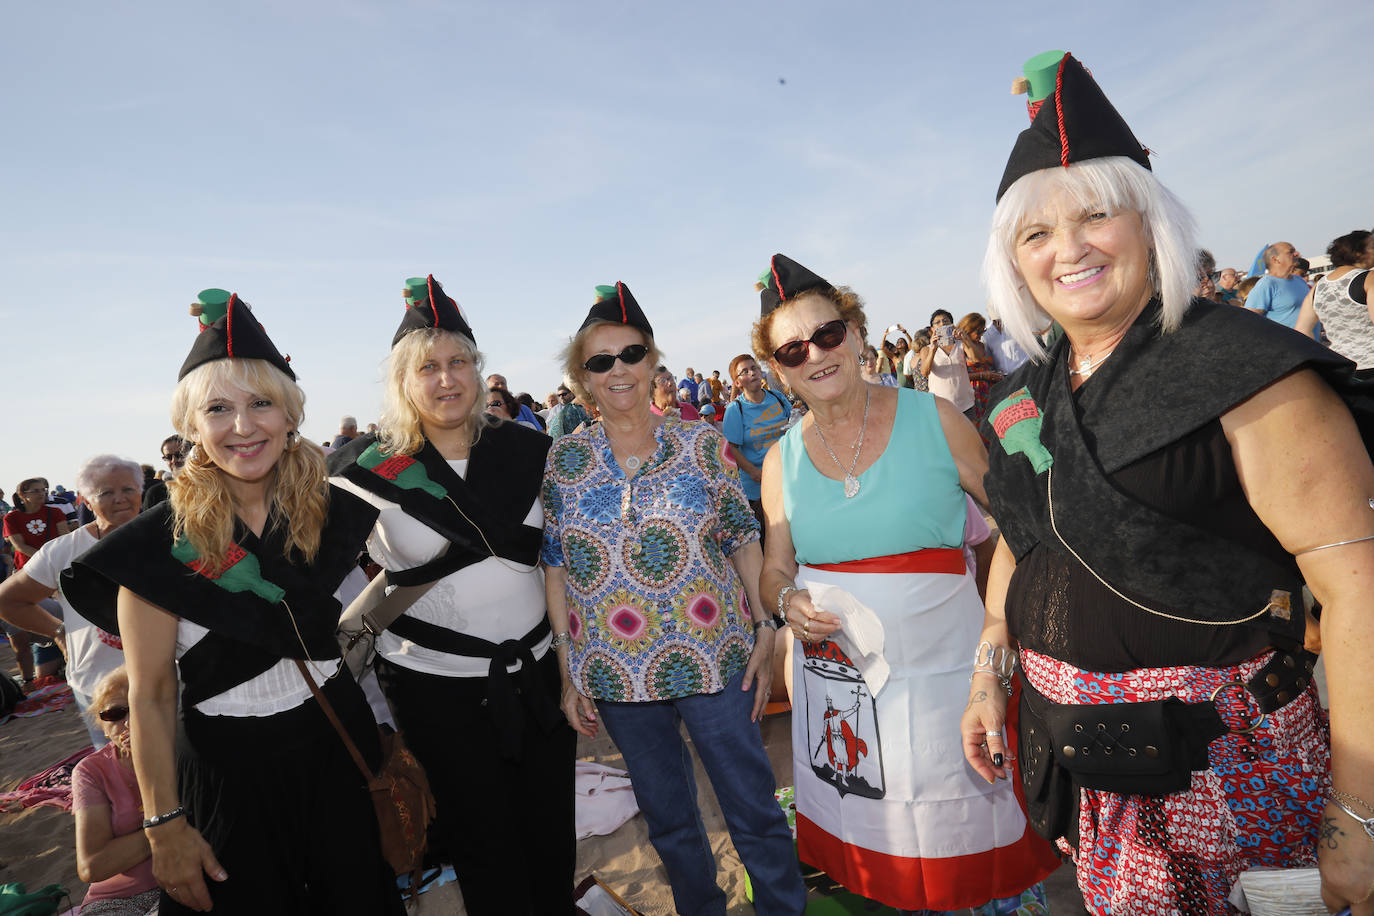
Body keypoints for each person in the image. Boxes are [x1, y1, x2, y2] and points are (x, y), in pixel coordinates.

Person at [964, 51, 1374, 916]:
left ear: (1150, 221)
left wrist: (1359, 812)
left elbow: (1358, 588)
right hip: (1086, 766)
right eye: (1036, 234)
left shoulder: (1246, 368)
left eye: (1095, 216)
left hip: (1234, 768)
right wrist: (989, 671)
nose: (1067, 250)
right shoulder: (1018, 394)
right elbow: (1019, 548)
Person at [63, 288, 401, 915]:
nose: (243, 427)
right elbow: (153, 694)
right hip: (224, 770)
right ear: (191, 425)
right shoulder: (154, 548)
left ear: (290, 413)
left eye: (261, 403)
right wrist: (164, 826)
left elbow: (356, 629)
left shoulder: (331, 514)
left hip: (336, 744)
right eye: (218, 408)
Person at [753, 253, 1055, 915]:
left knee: (981, 854)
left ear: (857, 333)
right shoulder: (781, 461)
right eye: (795, 348)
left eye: (829, 334)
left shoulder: (935, 420)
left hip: (952, 679)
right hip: (844, 697)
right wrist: (785, 600)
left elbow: (1019, 527)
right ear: (779, 368)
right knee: (885, 853)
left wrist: (1000, 645)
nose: (818, 355)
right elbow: (774, 569)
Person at [543, 282, 805, 916]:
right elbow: (555, 565)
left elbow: (744, 540)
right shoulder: (563, 461)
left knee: (752, 808)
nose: (619, 371)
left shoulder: (699, 443)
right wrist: (567, 669)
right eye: (599, 361)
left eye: (630, 354)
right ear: (583, 377)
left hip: (716, 662)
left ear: (653, 359)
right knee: (670, 824)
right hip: (617, 675)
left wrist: (767, 628)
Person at [328, 274, 573, 915]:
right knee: (482, 841)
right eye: (427, 367)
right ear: (403, 381)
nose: (446, 379)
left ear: (478, 368)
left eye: (459, 361)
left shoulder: (529, 449)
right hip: (435, 688)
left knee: (550, 830)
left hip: (538, 673)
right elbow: (311, 569)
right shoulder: (368, 471)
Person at [0, 455, 142, 747]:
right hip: (99, 683)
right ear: (86, 501)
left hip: (172, 678)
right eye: (106, 492)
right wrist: (57, 631)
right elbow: (9, 600)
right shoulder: (64, 551)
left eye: (128, 489)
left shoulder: (173, 539)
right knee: (120, 770)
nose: (120, 499)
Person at [72, 666, 159, 916]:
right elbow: (93, 866)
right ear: (101, 724)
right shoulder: (91, 771)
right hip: (115, 899)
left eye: (140, 707)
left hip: (181, 880)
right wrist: (168, 827)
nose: (130, 722)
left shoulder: (183, 754)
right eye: (116, 714)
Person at [3, 478, 71, 682]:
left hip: (57, 571)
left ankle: (68, 654)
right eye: (35, 491)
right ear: (23, 495)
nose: (42, 494)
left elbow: (65, 538)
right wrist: (46, 560)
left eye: (44, 490)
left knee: (65, 614)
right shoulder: (11, 518)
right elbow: (19, 546)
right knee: (45, 675)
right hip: (29, 575)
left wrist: (56, 562)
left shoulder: (55, 513)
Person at [722, 353, 792, 533]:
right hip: (759, 490)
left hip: (790, 478)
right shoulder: (735, 410)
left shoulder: (777, 397)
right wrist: (754, 472)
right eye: (744, 372)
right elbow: (731, 449)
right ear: (737, 383)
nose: (752, 373)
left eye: (754, 368)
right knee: (772, 539)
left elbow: (793, 423)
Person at [1295, 229, 1374, 371]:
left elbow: (1302, 329)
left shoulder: (1318, 287)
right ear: (1357, 253)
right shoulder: (1369, 278)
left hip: (1341, 366)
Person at [919, 310, 977, 418]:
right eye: (938, 322)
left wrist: (965, 339)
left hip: (966, 403)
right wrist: (933, 349)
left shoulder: (961, 344)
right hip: (941, 405)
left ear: (952, 325)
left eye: (945, 321)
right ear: (932, 329)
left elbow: (975, 358)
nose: (942, 324)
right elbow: (924, 372)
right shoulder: (926, 349)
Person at [1246, 241, 1309, 328]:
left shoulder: (1299, 280)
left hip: (1312, 340)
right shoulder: (1266, 284)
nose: (1296, 254)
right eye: (1290, 252)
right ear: (1275, 259)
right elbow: (1249, 319)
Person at [958, 312, 1004, 427]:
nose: (981, 335)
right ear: (968, 329)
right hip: (973, 392)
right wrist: (983, 375)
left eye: (983, 331)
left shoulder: (982, 345)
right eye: (978, 332)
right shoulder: (959, 348)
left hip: (988, 389)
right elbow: (958, 375)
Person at [141, 435, 185, 509]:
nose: (174, 461)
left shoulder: (206, 486)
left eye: (179, 455)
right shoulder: (156, 493)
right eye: (169, 457)